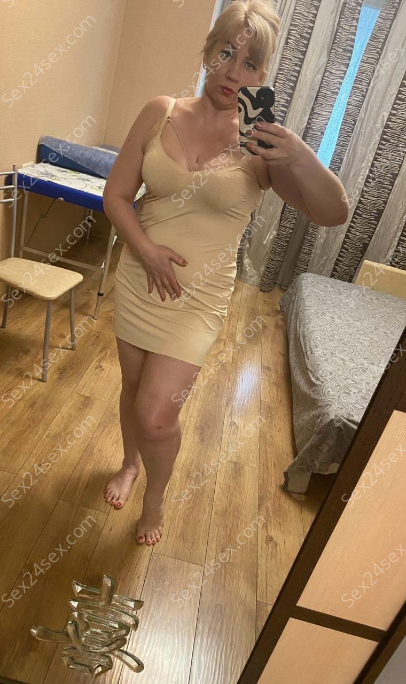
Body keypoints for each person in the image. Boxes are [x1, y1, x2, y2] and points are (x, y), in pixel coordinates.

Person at [102, 0, 303, 546]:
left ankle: (155, 501)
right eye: (226, 53)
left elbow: (330, 209)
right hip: (138, 280)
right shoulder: (160, 111)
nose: (233, 71)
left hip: (198, 299)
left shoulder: (260, 143)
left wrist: (295, 154)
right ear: (208, 51)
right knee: (132, 391)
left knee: (157, 415)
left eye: (250, 63)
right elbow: (116, 195)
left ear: (263, 75)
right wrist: (146, 249)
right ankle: (129, 464)